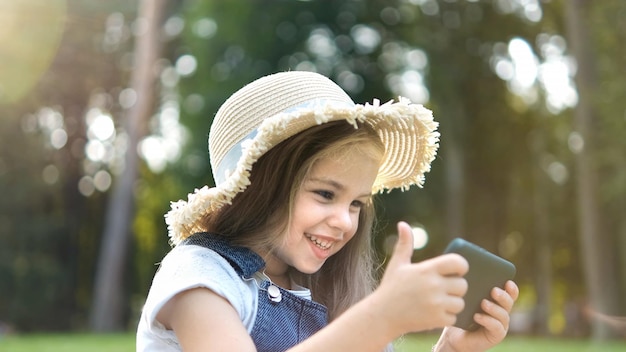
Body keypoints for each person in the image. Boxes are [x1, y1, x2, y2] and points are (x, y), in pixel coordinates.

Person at [136, 71, 519, 352]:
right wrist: (381, 317)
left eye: (356, 203)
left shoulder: (331, 293)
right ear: (257, 187)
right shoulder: (202, 275)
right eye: (324, 194)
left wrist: (451, 348)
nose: (345, 221)